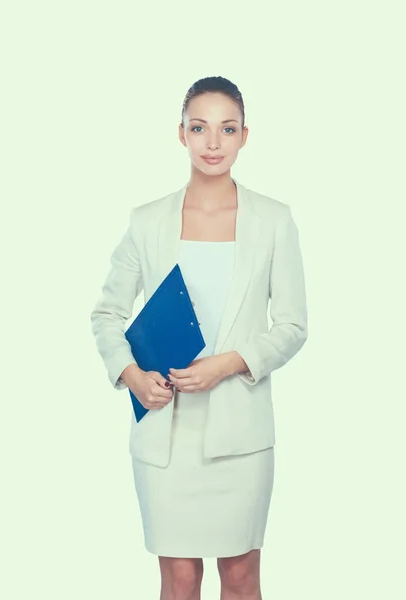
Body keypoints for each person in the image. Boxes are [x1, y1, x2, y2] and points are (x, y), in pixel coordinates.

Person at [91, 76, 308, 600]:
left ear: (244, 136)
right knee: (179, 580)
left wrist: (230, 362)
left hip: (241, 436)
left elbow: (293, 325)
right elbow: (106, 314)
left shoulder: (273, 220)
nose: (213, 143)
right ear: (182, 134)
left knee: (240, 576)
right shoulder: (147, 222)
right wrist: (133, 377)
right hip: (166, 432)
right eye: (200, 128)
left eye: (226, 129)